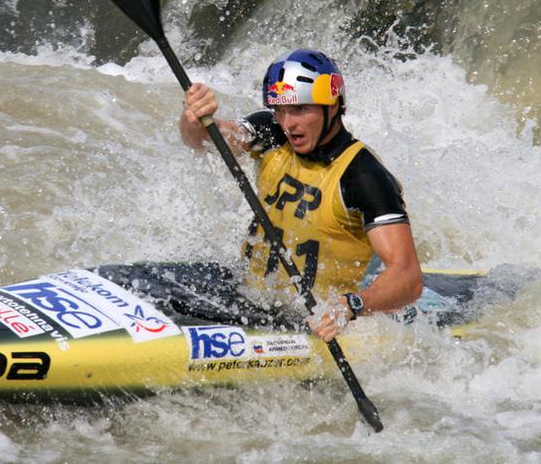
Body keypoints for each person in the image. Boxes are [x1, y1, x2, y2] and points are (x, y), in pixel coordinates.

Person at [178, 49, 423, 341]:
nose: (288, 123)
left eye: (299, 110)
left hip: (309, 319)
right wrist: (196, 120)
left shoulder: (363, 176)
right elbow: (209, 140)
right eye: (280, 109)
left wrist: (349, 306)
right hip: (248, 294)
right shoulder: (272, 132)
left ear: (332, 106)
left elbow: (408, 277)